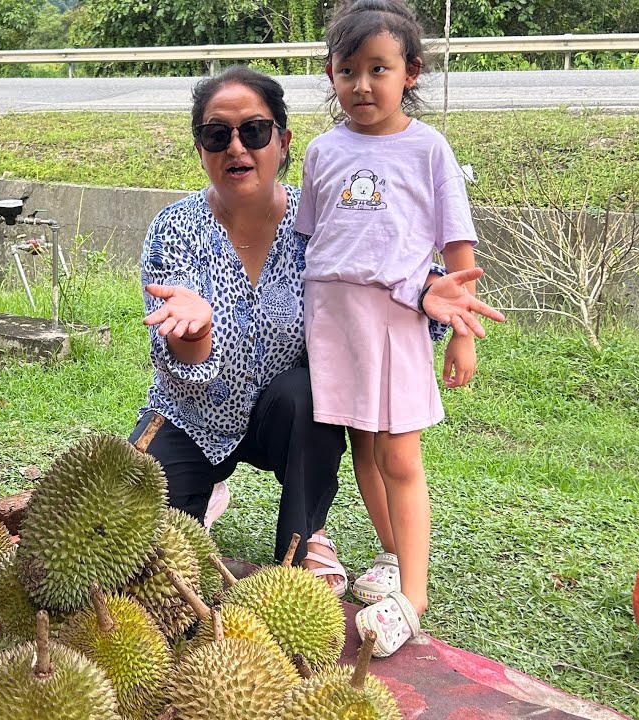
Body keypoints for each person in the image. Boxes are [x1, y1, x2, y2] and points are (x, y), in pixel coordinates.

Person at [130, 65, 502, 596]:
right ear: (201, 148)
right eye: (218, 135)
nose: (237, 148)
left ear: (282, 142)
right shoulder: (174, 229)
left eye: (254, 132)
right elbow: (179, 366)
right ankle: (207, 489)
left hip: (288, 415)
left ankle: (302, 541)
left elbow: (373, 271)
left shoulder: (323, 215)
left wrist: (421, 293)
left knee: (311, 393)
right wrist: (194, 333)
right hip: (194, 415)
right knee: (145, 550)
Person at [295, 0, 500, 656]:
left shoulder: (429, 149)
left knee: (401, 457)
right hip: (334, 324)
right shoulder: (321, 151)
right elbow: (311, 243)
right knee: (364, 448)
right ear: (330, 73)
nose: (361, 84)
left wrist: (464, 333)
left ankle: (414, 595)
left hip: (398, 320)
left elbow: (457, 248)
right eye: (347, 69)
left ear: (409, 72)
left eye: (377, 69)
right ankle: (390, 551)